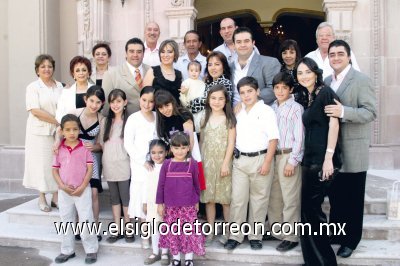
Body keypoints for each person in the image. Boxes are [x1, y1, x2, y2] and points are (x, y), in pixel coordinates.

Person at [324, 40, 377, 258]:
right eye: (332, 54)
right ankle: (336, 232)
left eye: (340, 54)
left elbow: (370, 112)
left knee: (353, 198)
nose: (335, 58)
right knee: (336, 196)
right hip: (333, 150)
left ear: (348, 56)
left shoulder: (361, 80)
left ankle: (351, 240)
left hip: (354, 148)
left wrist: (343, 112)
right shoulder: (327, 80)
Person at [224, 76, 279, 251]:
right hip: (240, 161)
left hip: (260, 159)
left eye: (249, 91)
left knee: (259, 200)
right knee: (238, 200)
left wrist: (267, 162)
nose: (246, 95)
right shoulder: (238, 111)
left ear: (257, 92)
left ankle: (256, 236)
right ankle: (235, 236)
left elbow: (273, 139)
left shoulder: (267, 111)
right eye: (242, 92)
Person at [296, 57, 341, 266]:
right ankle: (313, 260)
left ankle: (325, 262)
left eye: (307, 72)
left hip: (322, 161)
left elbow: (334, 125)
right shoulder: (310, 96)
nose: (303, 76)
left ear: (316, 72)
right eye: (300, 73)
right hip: (309, 160)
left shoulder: (325, 92)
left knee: (314, 212)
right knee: (308, 211)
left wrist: (329, 158)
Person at [56, 86, 106, 242]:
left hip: (90, 157)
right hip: (73, 157)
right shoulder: (75, 113)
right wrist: (57, 144)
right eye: (91, 100)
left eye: (98, 102)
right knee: (75, 190)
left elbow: (102, 144)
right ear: (86, 99)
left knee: (93, 193)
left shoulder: (101, 119)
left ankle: (94, 228)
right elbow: (60, 132)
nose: (94, 105)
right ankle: (78, 228)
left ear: (102, 103)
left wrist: (94, 146)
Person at [52, 114, 98, 264]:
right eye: (68, 130)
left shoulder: (84, 148)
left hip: (82, 190)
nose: (71, 132)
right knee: (66, 220)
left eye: (75, 129)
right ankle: (67, 250)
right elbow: (54, 170)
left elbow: (90, 169)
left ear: (79, 130)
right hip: (64, 191)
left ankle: (91, 250)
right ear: (62, 131)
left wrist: (83, 186)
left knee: (86, 219)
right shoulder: (59, 149)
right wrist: (62, 186)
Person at [267, 72, 304, 252]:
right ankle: (277, 230)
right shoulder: (271, 107)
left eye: (284, 88)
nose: (280, 91)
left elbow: (299, 137)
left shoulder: (296, 108)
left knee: (290, 196)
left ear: (290, 89)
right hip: (272, 155)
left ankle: (291, 235)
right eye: (277, 87)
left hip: (288, 155)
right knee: (275, 196)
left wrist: (293, 161)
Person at [156, 132, 205, 266]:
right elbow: (161, 185)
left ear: (188, 148)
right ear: (171, 149)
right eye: (176, 148)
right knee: (173, 233)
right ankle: (176, 259)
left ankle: (189, 259)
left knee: (188, 233)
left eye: (183, 148)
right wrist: (160, 203)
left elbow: (196, 184)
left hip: (188, 207)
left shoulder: (192, 164)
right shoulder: (167, 164)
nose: (180, 151)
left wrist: (196, 201)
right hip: (171, 207)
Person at [23, 54, 63, 212]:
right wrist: (57, 121)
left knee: (56, 163)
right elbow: (35, 110)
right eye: (43, 67)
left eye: (49, 66)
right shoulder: (33, 87)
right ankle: (41, 197)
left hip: (57, 132)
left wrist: (61, 125)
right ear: (37, 70)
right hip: (39, 133)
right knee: (42, 165)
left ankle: (55, 197)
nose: (47, 69)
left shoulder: (60, 86)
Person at [199, 84, 236, 246]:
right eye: (213, 98)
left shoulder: (230, 119)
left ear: (226, 100)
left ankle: (228, 232)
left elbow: (231, 143)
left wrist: (226, 163)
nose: (217, 101)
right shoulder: (204, 117)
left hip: (223, 164)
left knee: (225, 199)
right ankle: (211, 231)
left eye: (221, 98)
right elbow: (201, 142)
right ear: (208, 99)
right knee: (209, 200)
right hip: (207, 164)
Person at [124, 86, 157, 249]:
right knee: (142, 200)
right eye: (144, 100)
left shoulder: (158, 118)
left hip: (156, 165)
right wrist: (141, 161)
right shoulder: (133, 119)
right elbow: (128, 144)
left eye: (151, 101)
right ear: (140, 99)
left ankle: (156, 235)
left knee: (153, 201)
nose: (147, 104)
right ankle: (145, 235)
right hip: (139, 166)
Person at [155, 90, 206, 190]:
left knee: (192, 192)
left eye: (167, 105)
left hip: (188, 158)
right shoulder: (161, 120)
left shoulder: (184, 115)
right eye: (161, 107)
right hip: (172, 162)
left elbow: (190, 142)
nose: (165, 110)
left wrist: (181, 160)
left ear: (172, 102)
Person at [99, 89, 132, 244]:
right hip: (109, 164)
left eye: (118, 101)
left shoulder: (130, 121)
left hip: (124, 163)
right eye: (112, 101)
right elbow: (101, 143)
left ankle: (128, 229)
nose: (115, 104)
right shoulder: (105, 121)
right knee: (114, 198)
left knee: (125, 197)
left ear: (125, 102)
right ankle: (117, 230)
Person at [230, 27, 281, 106]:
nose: (242, 45)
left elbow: (274, 90)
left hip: (259, 114)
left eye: (246, 41)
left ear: (253, 43)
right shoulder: (229, 67)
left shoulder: (269, 63)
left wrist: (243, 103)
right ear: (234, 45)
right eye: (239, 42)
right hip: (233, 115)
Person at [102, 37, 150, 116]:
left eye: (139, 52)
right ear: (126, 53)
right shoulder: (111, 74)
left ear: (143, 54)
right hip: (124, 122)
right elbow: (107, 105)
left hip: (149, 121)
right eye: (131, 51)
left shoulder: (151, 71)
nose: (135, 55)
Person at [143, 139, 169, 265]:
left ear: (166, 152)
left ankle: (164, 253)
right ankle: (155, 252)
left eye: (160, 152)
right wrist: (144, 203)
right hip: (151, 202)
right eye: (153, 152)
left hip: (165, 203)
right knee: (154, 228)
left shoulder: (168, 166)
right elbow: (145, 186)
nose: (157, 155)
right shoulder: (149, 167)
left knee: (164, 227)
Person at [188, 51, 233, 125]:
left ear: (224, 66)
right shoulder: (207, 83)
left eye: (217, 64)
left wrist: (190, 104)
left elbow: (209, 101)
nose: (213, 68)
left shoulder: (225, 83)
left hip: (220, 123)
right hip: (204, 123)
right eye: (210, 65)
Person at [143, 39, 182, 104]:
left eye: (169, 52)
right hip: (156, 113)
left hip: (176, 112)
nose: (165, 55)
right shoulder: (152, 71)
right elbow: (144, 97)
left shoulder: (179, 74)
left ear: (175, 54)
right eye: (162, 52)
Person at [56, 56, 94, 122]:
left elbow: (101, 112)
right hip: (72, 129)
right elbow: (59, 115)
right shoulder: (66, 93)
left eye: (84, 70)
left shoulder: (95, 90)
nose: (81, 73)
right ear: (73, 74)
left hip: (93, 129)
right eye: (77, 70)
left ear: (88, 73)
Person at [278, 39, 308, 109]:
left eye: (291, 52)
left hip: (304, 108)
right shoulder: (278, 71)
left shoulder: (303, 69)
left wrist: (293, 96)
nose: (288, 56)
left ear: (296, 53)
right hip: (285, 109)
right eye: (284, 53)